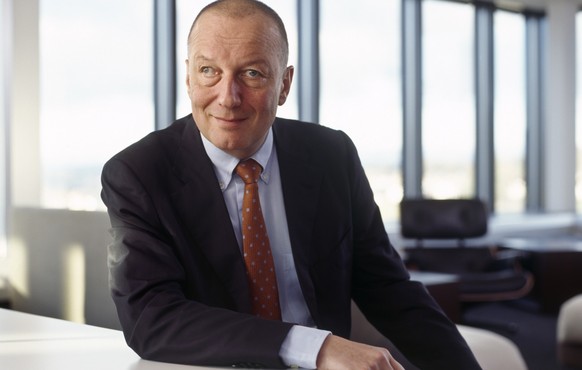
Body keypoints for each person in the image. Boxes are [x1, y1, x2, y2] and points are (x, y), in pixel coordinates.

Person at [101, 0, 482, 369]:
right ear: (188, 77)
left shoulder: (331, 155)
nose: (228, 97)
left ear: (284, 84)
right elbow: (150, 319)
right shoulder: (139, 173)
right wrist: (316, 348)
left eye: (251, 73)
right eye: (209, 71)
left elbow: (388, 289)